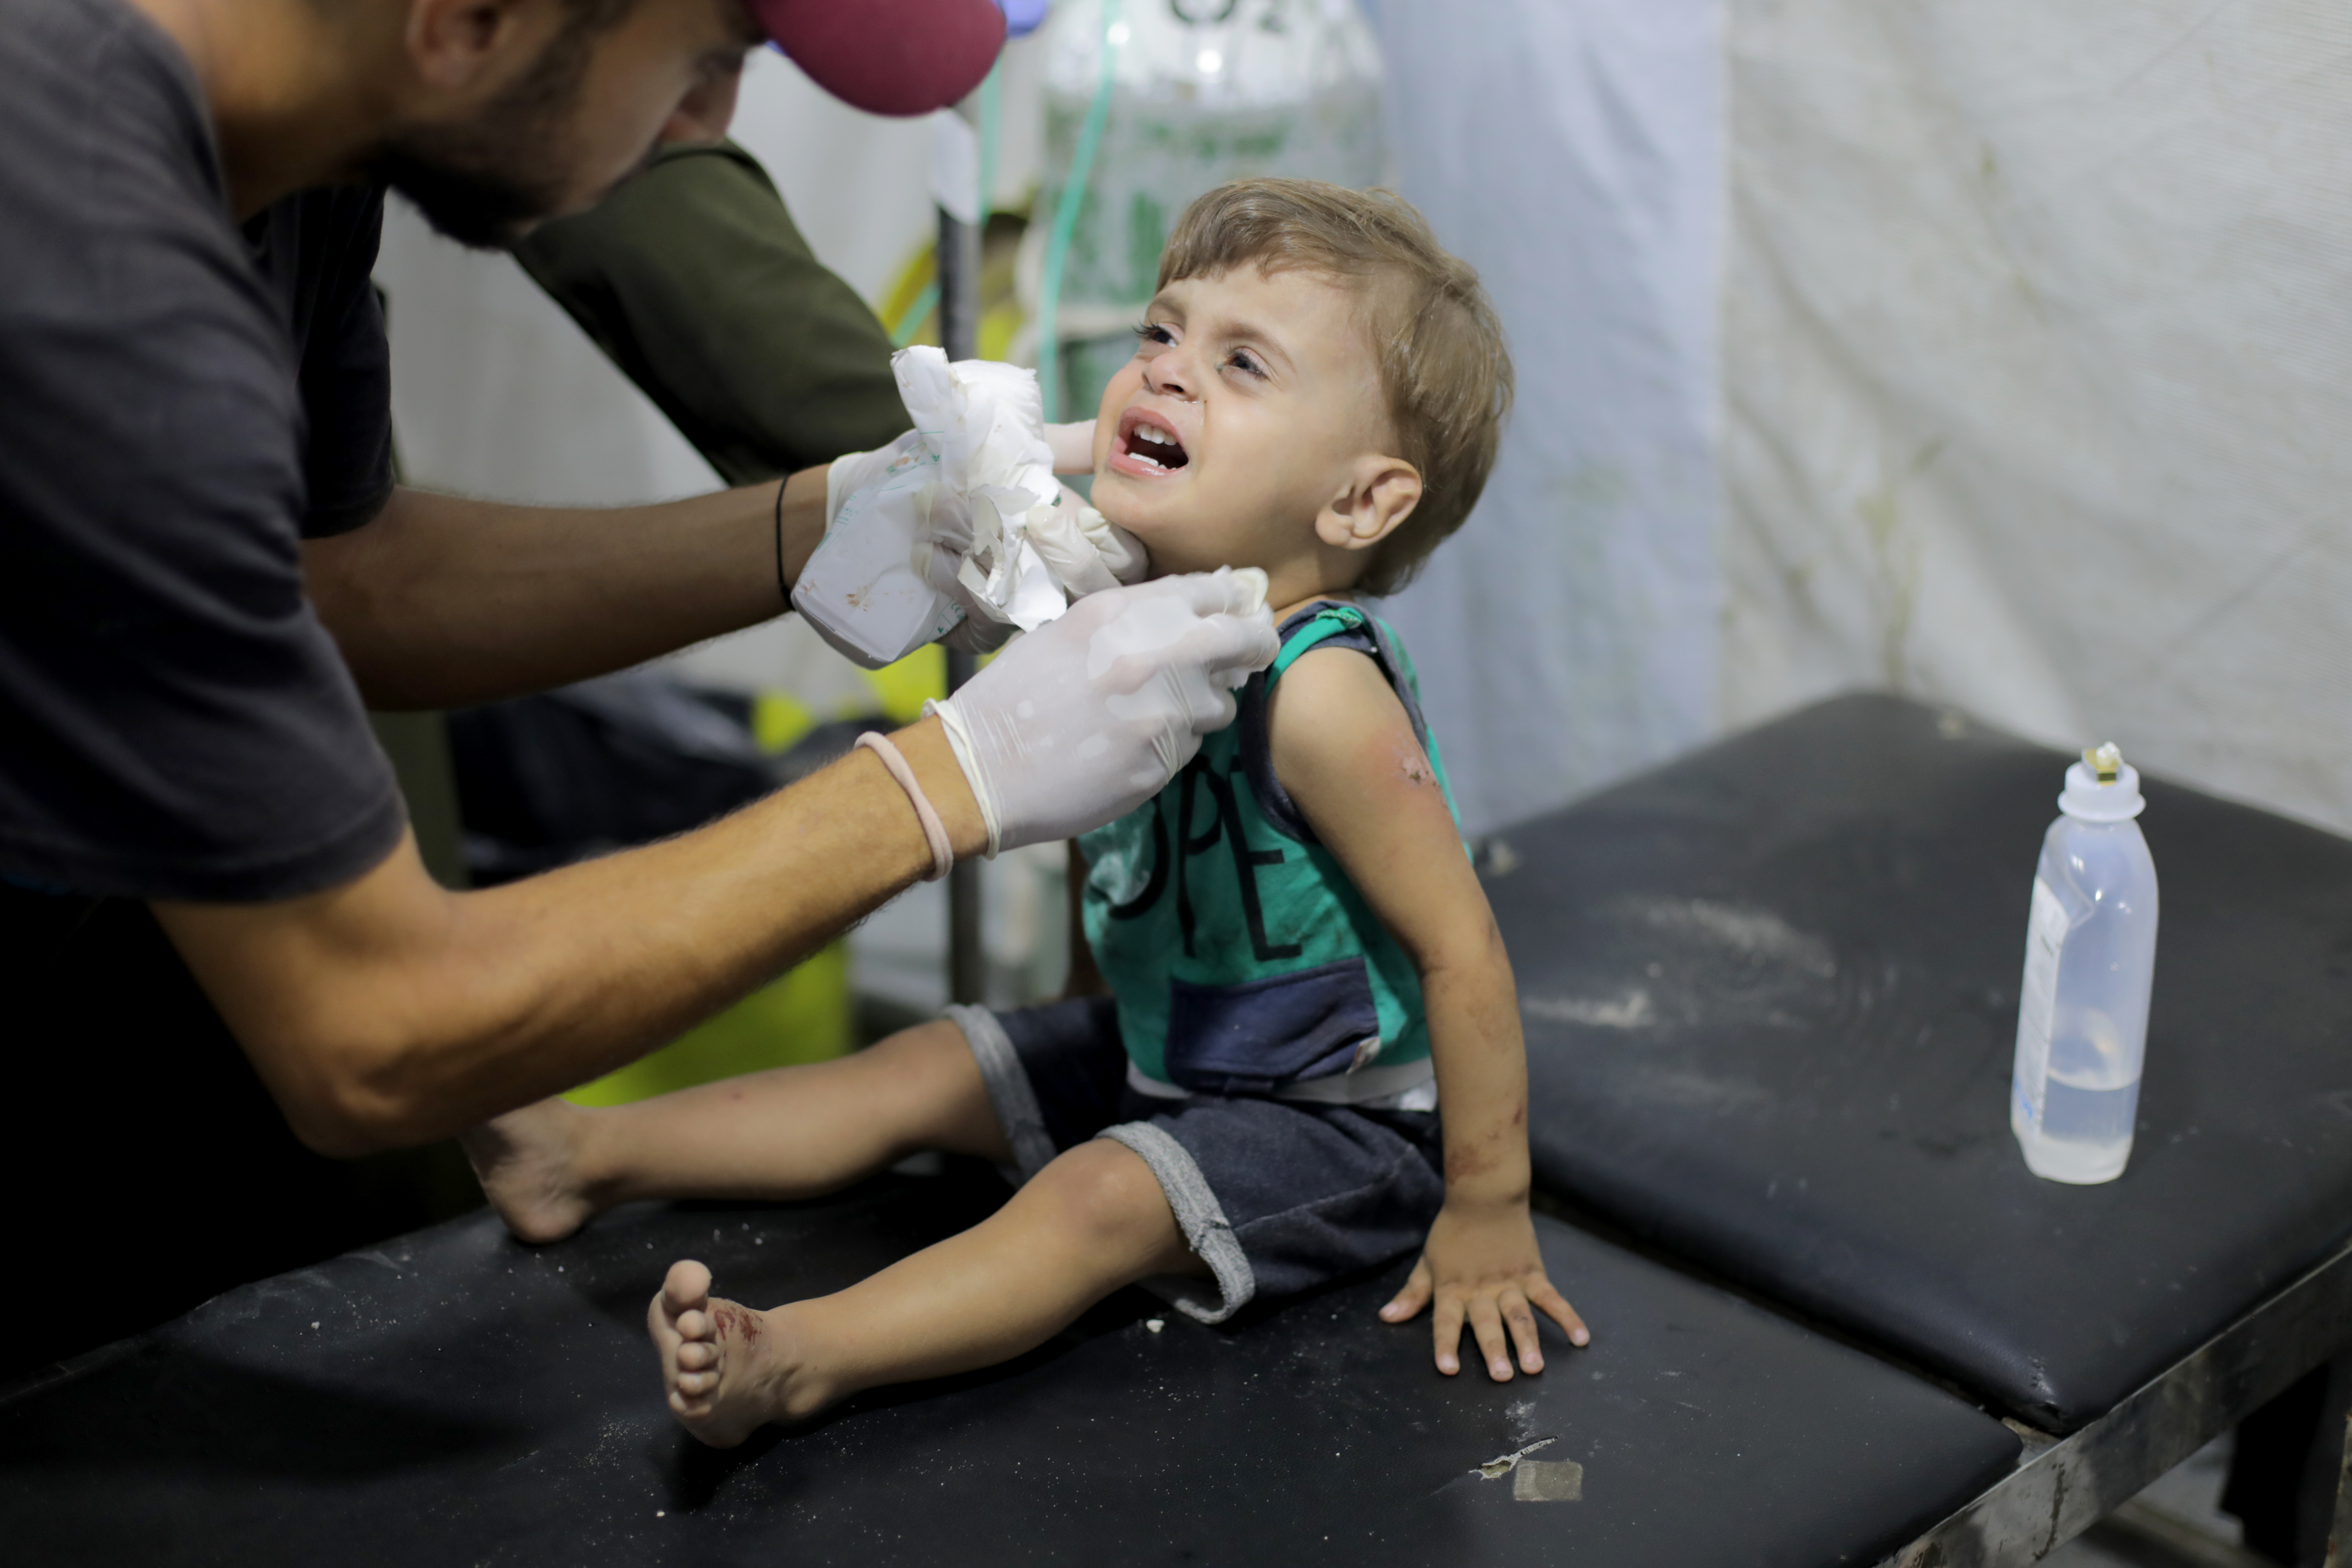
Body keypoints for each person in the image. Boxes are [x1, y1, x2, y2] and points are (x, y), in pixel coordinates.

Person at [0, 0, 1274, 1373]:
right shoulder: (80, 245)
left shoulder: (294, 159)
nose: (706, 125)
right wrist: (952, 778)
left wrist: (833, 522)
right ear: (470, 20)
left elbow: (338, 573)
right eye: (708, 55)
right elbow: (366, 1032)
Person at [463, 178, 1590, 1446]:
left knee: (1092, 1201)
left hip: (1336, 1123)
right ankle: (581, 1157)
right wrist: (1074, 1016)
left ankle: (800, 1358)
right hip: (1163, 1047)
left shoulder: (1322, 691)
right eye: (1162, 334)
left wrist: (1487, 1207)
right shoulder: (1117, 622)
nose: (1164, 373)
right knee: (926, 1064)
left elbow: (1461, 946)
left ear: (1359, 504)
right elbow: (1100, 832)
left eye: (1241, 362)